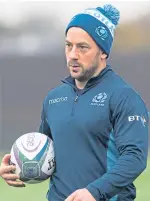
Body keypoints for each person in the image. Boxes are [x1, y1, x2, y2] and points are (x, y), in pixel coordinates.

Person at [0, 4, 149, 201]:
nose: (72, 55)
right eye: (68, 45)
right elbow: (45, 153)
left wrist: (94, 192)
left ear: (103, 52)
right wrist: (16, 167)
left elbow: (134, 158)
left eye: (83, 47)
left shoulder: (124, 97)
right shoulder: (53, 98)